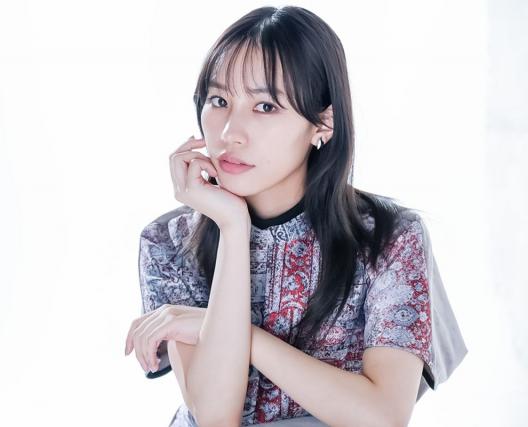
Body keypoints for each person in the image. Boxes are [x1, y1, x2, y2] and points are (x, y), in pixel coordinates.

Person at [124, 5, 468, 427]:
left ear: (323, 123)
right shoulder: (168, 242)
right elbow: (214, 417)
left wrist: (242, 337)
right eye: (219, 100)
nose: (230, 132)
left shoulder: (388, 237)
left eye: (265, 106)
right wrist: (232, 226)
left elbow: (382, 417)